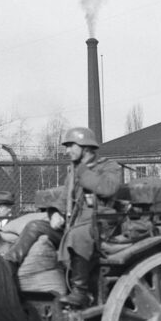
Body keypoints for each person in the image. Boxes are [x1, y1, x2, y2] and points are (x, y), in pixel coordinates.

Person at [56, 126, 122, 307]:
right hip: (75, 221)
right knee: (35, 227)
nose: (67, 151)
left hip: (101, 222)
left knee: (78, 235)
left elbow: (108, 188)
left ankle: (80, 291)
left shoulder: (109, 166)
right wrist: (54, 213)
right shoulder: (73, 171)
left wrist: (83, 171)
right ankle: (10, 267)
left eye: (71, 146)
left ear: (85, 147)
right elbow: (64, 199)